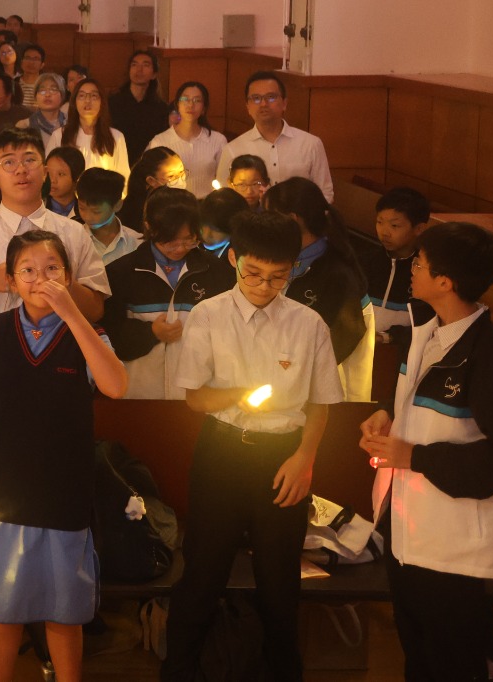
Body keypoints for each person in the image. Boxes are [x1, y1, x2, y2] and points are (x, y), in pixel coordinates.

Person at [164, 211, 343, 682]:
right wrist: (239, 395)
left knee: (279, 580)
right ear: (234, 259)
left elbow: (321, 405)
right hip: (222, 453)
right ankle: (178, 670)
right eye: (254, 274)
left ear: (294, 268)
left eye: (279, 276)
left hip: (282, 456)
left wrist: (304, 459)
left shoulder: (308, 324)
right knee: (203, 573)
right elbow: (195, 398)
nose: (265, 287)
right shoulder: (209, 314)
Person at [0, 229, 128, 682]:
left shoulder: (87, 334)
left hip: (63, 495)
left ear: (68, 277)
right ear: (11, 281)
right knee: (2, 609)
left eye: (52, 269)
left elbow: (115, 385)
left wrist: (72, 315)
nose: (40, 279)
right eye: (27, 271)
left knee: (64, 611)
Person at [359, 221, 493, 682]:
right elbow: (415, 397)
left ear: (445, 282)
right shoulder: (426, 332)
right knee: (417, 660)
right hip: (406, 535)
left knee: (453, 665)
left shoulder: (487, 353)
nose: (411, 269)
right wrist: (387, 413)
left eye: (420, 263)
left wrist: (413, 456)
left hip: (453, 551)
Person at [0, 128, 110, 339]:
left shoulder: (74, 232)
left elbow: (96, 310)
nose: (21, 170)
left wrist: (61, 280)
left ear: (45, 172)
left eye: (29, 160)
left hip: (61, 346)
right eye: (9, 162)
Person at [100, 188, 233, 398]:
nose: (179, 249)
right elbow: (107, 337)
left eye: (188, 240)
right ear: (149, 227)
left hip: (199, 397)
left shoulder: (217, 273)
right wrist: (150, 333)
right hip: (139, 395)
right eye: (170, 242)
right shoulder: (121, 273)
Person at [264, 177, 371, 400]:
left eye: (271, 216)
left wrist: (292, 370)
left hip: (322, 387)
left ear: (293, 219)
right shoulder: (288, 258)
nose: (267, 224)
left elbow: (341, 339)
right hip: (285, 377)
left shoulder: (337, 272)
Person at [214, 72, 334, 201]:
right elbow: (224, 198)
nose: (263, 104)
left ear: (284, 103)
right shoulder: (233, 149)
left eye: (271, 97)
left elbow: (325, 194)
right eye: (256, 98)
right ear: (248, 107)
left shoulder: (311, 144)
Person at [363, 186, 433, 352]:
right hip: (360, 346)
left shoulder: (426, 272)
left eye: (394, 226)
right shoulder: (365, 261)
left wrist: (389, 337)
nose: (384, 232)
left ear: (419, 228)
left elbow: (428, 324)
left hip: (402, 352)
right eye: (379, 222)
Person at [147, 81, 226, 198]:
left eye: (197, 100)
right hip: (172, 203)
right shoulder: (160, 141)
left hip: (207, 204)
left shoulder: (218, 140)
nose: (190, 104)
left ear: (204, 108)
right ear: (177, 104)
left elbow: (224, 179)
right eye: (185, 99)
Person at [59, 78, 129, 178]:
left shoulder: (116, 137)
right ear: (74, 102)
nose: (87, 100)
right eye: (82, 96)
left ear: (102, 102)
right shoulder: (60, 135)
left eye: (93, 96)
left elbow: (123, 176)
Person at [107, 49, 172, 154]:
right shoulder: (113, 102)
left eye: (145, 65)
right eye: (134, 65)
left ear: (154, 74)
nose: (139, 70)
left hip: (148, 159)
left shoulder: (161, 108)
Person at [75, 167, 138, 266]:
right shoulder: (73, 239)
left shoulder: (136, 242)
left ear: (117, 205)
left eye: (96, 211)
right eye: (82, 208)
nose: (87, 217)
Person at [115, 145, 185, 232]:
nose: (179, 179)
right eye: (171, 176)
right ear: (151, 181)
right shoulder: (140, 212)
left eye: (181, 172)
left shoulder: (183, 203)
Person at [17, 73, 67, 151]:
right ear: (35, 97)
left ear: (62, 95)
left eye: (53, 90)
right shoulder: (24, 126)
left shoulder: (70, 122)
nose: (47, 95)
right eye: (42, 91)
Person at [198, 188, 246, 260]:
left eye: (216, 230)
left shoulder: (239, 261)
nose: (206, 235)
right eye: (203, 226)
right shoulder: (191, 249)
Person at [42, 146, 84, 218]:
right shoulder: (35, 210)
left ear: (77, 178)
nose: (52, 180)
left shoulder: (86, 214)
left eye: (60, 174)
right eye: (49, 173)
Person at [16, 44, 47, 108]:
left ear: (42, 65)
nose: (31, 62)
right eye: (27, 58)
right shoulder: (13, 83)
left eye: (36, 59)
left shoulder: (46, 85)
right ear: (21, 62)